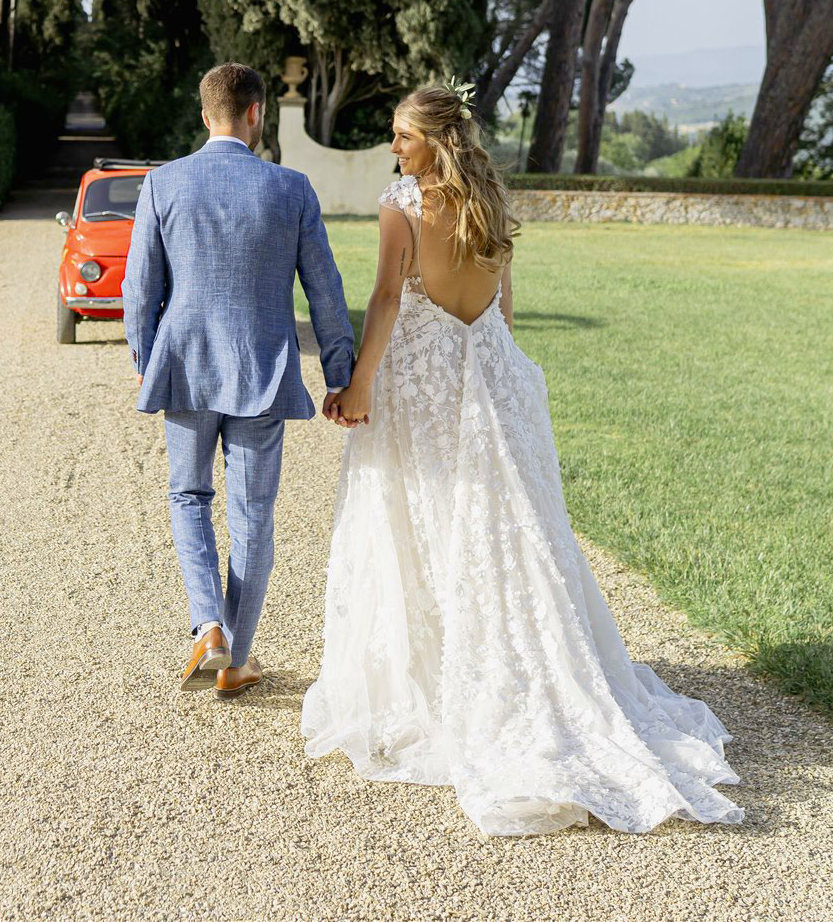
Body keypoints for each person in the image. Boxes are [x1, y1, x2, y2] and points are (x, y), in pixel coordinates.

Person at [301, 80, 745, 834]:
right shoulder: (493, 203)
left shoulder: (402, 206)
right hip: (494, 383)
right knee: (504, 533)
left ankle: (446, 685)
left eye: (404, 135)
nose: (394, 147)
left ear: (434, 140)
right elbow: (502, 312)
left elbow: (383, 301)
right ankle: (523, 669)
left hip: (425, 389)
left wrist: (358, 384)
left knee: (427, 526)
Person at [122, 63, 356, 697]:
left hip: (187, 369)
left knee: (188, 497)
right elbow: (325, 291)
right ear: (257, 113)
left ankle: (208, 626)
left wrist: (145, 356)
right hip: (263, 371)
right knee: (253, 515)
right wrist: (341, 374)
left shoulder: (163, 183)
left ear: (206, 116)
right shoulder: (292, 188)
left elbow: (140, 286)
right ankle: (236, 659)